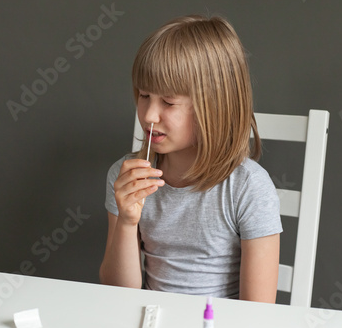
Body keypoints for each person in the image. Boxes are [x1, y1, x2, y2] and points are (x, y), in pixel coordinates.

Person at [99, 15, 282, 302]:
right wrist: (126, 222)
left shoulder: (248, 187)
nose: (148, 115)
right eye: (144, 95)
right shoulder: (127, 178)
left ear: (214, 105)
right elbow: (119, 295)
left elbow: (258, 312)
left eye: (169, 102)